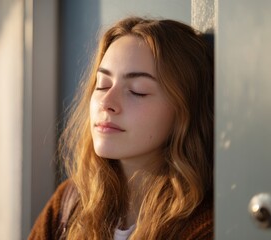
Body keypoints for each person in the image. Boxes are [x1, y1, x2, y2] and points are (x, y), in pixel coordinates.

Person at [29, 16, 214, 240]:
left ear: (185, 109)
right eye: (102, 84)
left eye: (137, 90)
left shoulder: (206, 227)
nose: (107, 102)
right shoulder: (69, 205)